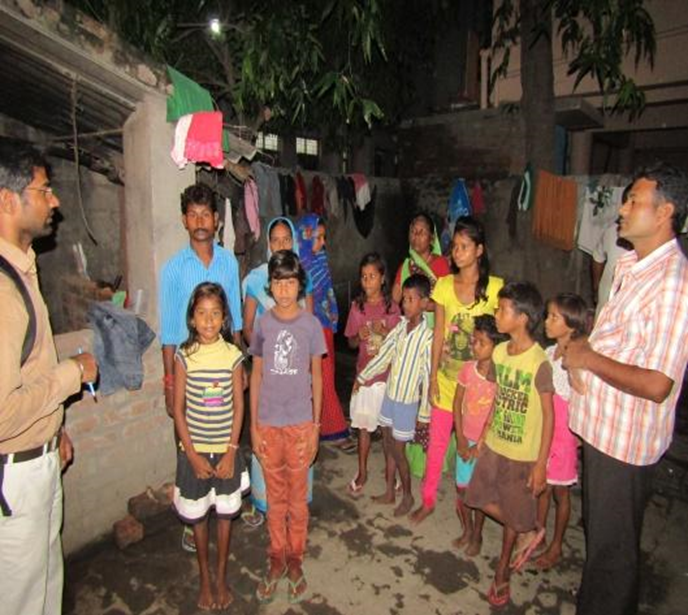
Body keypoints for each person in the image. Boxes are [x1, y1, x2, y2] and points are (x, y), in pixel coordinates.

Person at [564, 163, 688, 615]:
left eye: (634, 200)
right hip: (603, 433)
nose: (622, 208)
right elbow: (618, 340)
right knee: (602, 546)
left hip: (625, 444)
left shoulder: (674, 284)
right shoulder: (633, 267)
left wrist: (588, 358)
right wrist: (582, 349)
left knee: (613, 558)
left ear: (664, 213)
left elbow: (657, 383)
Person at [0, 139, 98, 615]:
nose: (55, 200)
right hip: (13, 481)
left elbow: (23, 373)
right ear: (7, 200)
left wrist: (54, 430)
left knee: (43, 593)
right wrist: (72, 373)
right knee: (21, 601)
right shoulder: (0, 292)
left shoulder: (21, 271)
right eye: (44, 190)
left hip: (34, 458)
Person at [159, 182, 243, 552]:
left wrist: (241, 368)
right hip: (188, 372)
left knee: (228, 432)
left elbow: (235, 319)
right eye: (192, 214)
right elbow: (168, 332)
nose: (199, 221)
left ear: (216, 220)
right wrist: (168, 383)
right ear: (184, 220)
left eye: (205, 213)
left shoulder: (229, 261)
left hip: (224, 367)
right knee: (189, 441)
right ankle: (192, 514)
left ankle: (227, 499)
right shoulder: (173, 269)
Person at [465, 282, 554, 609]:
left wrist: (540, 464)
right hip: (495, 445)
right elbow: (497, 401)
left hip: (521, 454)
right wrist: (483, 440)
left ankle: (502, 571)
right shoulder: (500, 353)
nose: (496, 314)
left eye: (502, 310)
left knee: (509, 510)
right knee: (474, 496)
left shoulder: (538, 362)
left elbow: (549, 417)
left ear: (522, 318)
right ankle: (526, 528)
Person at [410, 216, 503, 524]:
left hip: (480, 389)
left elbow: (500, 340)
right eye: (455, 246)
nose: (457, 252)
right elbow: (439, 334)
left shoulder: (494, 289)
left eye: (465, 246)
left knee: (477, 447)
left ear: (479, 250)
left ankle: (473, 504)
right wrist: (433, 375)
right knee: (436, 443)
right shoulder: (445, 287)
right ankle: (428, 499)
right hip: (448, 381)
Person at [250, 250, 324, 605]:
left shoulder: (310, 324)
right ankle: (275, 559)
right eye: (278, 283)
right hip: (268, 425)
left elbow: (319, 376)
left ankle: (296, 560)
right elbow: (257, 373)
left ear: (300, 285)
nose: (284, 290)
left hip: (299, 425)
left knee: (298, 500)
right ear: (271, 286)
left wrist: (315, 427)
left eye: (290, 283)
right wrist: (253, 426)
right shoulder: (263, 323)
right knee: (275, 500)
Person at [172, 282, 248, 610]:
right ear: (191, 318)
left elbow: (239, 405)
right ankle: (204, 576)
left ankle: (221, 574)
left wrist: (232, 451)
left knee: (225, 516)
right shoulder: (183, 355)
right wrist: (191, 454)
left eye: (215, 313)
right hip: (195, 453)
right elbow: (177, 409)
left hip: (225, 451)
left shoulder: (233, 355)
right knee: (199, 517)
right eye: (201, 313)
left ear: (224, 318)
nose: (208, 320)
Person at [241, 216, 314, 527]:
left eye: (286, 239)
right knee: (268, 436)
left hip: (295, 372)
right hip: (268, 371)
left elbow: (308, 326)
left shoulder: (301, 278)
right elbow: (246, 327)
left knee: (296, 434)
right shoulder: (257, 279)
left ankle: (296, 504)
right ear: (268, 245)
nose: (281, 245)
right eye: (276, 240)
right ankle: (264, 503)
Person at [354, 274, 434, 517]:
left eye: (411, 300)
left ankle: (408, 494)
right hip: (390, 398)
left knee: (399, 451)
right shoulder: (399, 327)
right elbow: (383, 356)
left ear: (424, 302)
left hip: (407, 404)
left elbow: (428, 377)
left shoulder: (427, 338)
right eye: (405, 299)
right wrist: (362, 377)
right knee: (388, 445)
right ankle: (390, 491)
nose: (406, 304)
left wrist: (424, 414)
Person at [392, 213, 451, 480]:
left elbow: (445, 301)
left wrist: (423, 304)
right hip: (412, 335)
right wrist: (412, 299)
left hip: (435, 335)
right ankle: (412, 456)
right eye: (413, 231)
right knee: (412, 395)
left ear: (432, 237)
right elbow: (396, 297)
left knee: (431, 395)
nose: (417, 236)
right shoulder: (406, 264)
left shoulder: (440, 264)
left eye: (422, 231)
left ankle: (432, 459)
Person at [535, 293, 590, 570]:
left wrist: (573, 369)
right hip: (545, 431)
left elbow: (583, 394)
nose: (547, 321)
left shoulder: (578, 357)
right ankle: (538, 534)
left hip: (564, 435)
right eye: (548, 315)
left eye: (553, 317)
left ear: (570, 325)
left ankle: (556, 544)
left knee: (561, 493)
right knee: (543, 487)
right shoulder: (547, 353)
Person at [344, 253, 401, 496]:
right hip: (365, 377)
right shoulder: (357, 307)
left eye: (372, 277)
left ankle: (391, 473)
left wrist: (387, 332)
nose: (367, 282)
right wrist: (360, 337)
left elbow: (401, 343)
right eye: (364, 277)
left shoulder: (392, 308)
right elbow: (351, 343)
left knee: (387, 431)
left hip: (387, 378)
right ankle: (363, 471)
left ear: (382, 278)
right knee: (364, 428)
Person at [296, 214, 353, 450]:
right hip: (311, 328)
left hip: (324, 327)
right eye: (318, 237)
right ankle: (334, 428)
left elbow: (327, 294)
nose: (323, 242)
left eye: (323, 237)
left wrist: (332, 319)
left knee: (325, 375)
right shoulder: (300, 267)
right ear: (306, 237)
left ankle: (325, 421)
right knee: (323, 377)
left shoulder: (319, 260)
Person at [452, 314, 507, 557]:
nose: (474, 346)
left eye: (481, 342)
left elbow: (495, 415)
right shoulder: (467, 370)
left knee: (480, 493)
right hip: (465, 438)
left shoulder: (500, 378)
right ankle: (467, 528)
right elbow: (457, 404)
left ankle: (477, 535)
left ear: (496, 347)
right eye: (474, 340)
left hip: (485, 445)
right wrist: (462, 439)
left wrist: (479, 446)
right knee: (462, 489)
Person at [591, 185, 633, 317]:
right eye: (625, 202)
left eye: (633, 204)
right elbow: (597, 257)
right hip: (605, 310)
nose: (623, 210)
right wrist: (597, 287)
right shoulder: (612, 231)